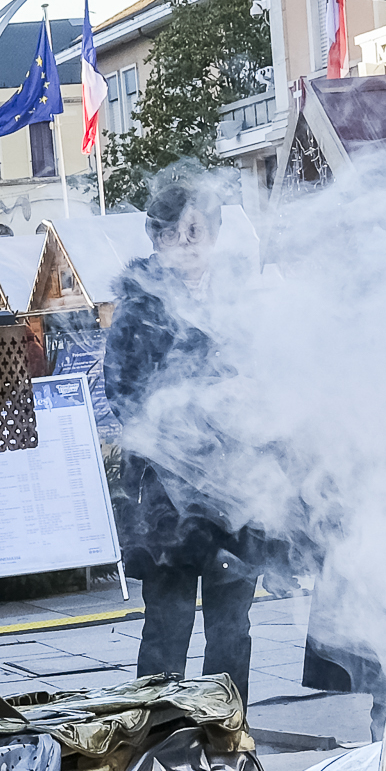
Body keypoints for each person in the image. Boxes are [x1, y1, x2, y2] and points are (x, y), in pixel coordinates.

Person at [101, 168, 263, 693]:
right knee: (167, 629)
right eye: (175, 231)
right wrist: (176, 426)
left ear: (214, 235)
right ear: (157, 236)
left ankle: (227, 739)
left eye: (199, 230)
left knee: (231, 631)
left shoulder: (241, 302)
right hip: (165, 495)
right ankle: (156, 741)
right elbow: (121, 391)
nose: (188, 242)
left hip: (235, 489)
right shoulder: (137, 309)